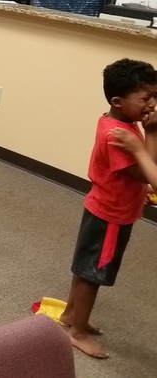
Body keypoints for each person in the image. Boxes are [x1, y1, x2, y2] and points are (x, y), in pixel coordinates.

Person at [58, 58, 157, 359]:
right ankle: (77, 333)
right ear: (117, 101)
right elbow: (146, 173)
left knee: (84, 267)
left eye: (155, 96)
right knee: (93, 275)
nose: (153, 104)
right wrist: (152, 134)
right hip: (111, 217)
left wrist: (145, 133)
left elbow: (137, 169)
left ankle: (70, 315)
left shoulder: (120, 123)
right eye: (146, 98)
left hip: (103, 207)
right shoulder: (119, 136)